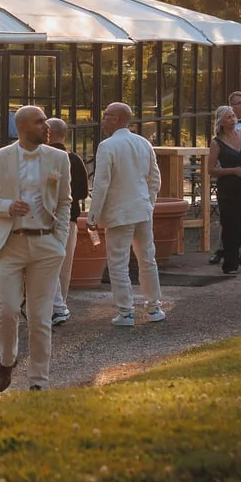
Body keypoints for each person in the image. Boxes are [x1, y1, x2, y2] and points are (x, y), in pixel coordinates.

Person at [0, 105, 71, 392]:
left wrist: (60, 240)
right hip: (9, 242)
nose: (46, 126)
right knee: (6, 309)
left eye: (45, 121)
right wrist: (7, 206)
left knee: (40, 316)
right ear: (21, 127)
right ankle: (7, 361)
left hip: (46, 244)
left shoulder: (59, 157)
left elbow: (65, 201)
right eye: (39, 121)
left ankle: (38, 383)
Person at [89, 102, 165, 326]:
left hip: (119, 212)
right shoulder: (143, 143)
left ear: (118, 119)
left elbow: (101, 184)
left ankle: (126, 312)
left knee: (118, 262)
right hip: (141, 210)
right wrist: (148, 203)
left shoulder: (107, 146)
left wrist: (92, 217)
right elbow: (155, 179)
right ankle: (154, 307)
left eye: (106, 116)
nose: (103, 120)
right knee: (147, 259)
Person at [207, 105, 241, 274]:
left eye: (233, 116)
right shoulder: (216, 143)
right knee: (231, 226)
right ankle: (230, 263)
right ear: (221, 122)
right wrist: (233, 171)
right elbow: (211, 169)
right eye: (228, 118)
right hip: (228, 188)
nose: (232, 120)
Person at [46, 117, 89, 325]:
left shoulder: (43, 158)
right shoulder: (74, 159)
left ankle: (52, 307)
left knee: (46, 262)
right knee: (64, 264)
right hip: (70, 217)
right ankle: (60, 304)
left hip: (45, 218)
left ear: (49, 134)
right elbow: (82, 192)